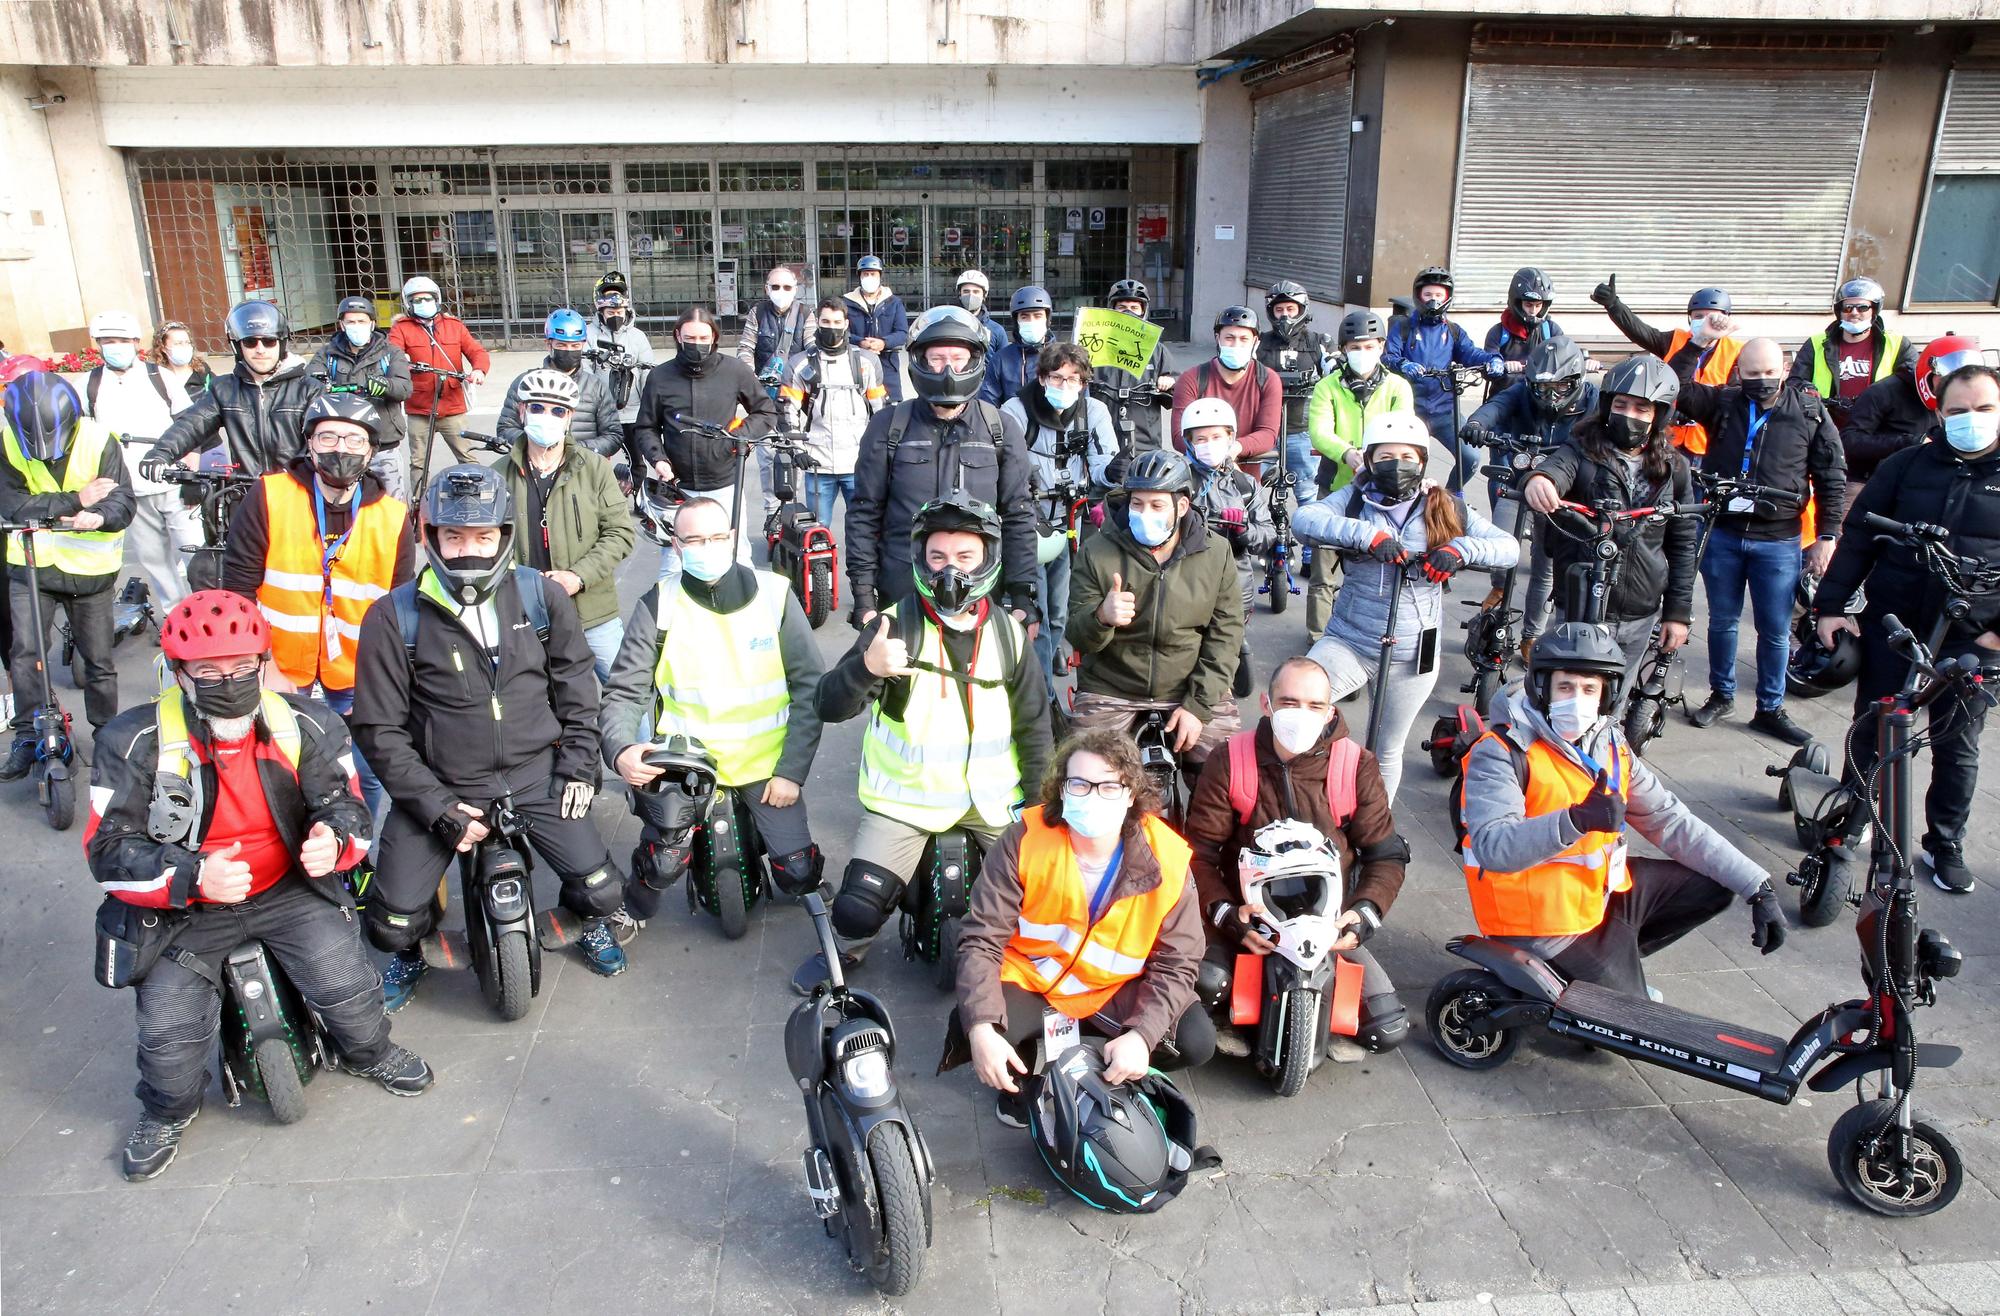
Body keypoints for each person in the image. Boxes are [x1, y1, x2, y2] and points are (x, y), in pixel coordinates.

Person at [86, 590, 432, 1181]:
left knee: (348, 984)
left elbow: (345, 806)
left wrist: (334, 841)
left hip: (285, 889)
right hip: (188, 909)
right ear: (178, 673)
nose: (230, 681)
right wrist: (193, 876)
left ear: (265, 662)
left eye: (245, 667)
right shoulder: (133, 741)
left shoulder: (307, 722)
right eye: (210, 671)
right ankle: (166, 1112)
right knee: (170, 1034)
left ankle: (369, 1053)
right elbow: (108, 851)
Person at [350, 463, 630, 1008]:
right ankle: (412, 952)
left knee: (603, 891)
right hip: (442, 782)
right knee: (390, 922)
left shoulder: (539, 597)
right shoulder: (393, 616)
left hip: (534, 773)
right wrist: (438, 808)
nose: (469, 551)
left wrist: (577, 763)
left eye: (484, 536)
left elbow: (575, 683)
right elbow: (378, 729)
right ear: (430, 537)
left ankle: (589, 923)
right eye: (453, 537)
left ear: (505, 535)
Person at [801, 494, 1050, 994]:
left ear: (986, 560)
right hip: (906, 800)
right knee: (855, 907)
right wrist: (866, 668)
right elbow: (828, 705)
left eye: (964, 558)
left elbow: (1036, 726)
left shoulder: (1009, 634)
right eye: (938, 558)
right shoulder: (891, 626)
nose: (949, 572)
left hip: (993, 800)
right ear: (920, 560)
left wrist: (1042, 809)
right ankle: (845, 952)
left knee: (1043, 893)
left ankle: (1027, 957)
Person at [1458, 622, 1786, 996]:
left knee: (1714, 883)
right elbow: (1494, 847)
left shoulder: (1608, 741)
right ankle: (1583, 973)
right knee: (1628, 1023)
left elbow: (1668, 818)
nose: (1577, 700)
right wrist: (1576, 821)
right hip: (1539, 923)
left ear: (1606, 694)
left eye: (1589, 689)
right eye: (1565, 687)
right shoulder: (1501, 751)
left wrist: (1756, 885)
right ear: (1541, 688)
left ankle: (1610, 961)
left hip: (1597, 898)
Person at [948, 727, 1211, 1126]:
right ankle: (1026, 1081)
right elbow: (981, 938)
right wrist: (982, 1027)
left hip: (1114, 989)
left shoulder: (1168, 859)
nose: (1092, 795)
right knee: (976, 1023)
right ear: (1061, 789)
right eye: (1080, 784)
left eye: (1109, 786)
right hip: (1033, 979)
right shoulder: (1024, 839)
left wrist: (1142, 1035)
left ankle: (1123, 1065)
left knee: (1195, 1040)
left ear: (1130, 795)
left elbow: (1179, 961)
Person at [1815, 363, 2000, 894]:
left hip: (1973, 640)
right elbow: (1858, 538)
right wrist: (1830, 606)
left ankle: (1945, 844)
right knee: (1873, 727)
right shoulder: (1906, 465)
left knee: (1957, 745)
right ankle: (1850, 818)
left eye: (1984, 409)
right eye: (1959, 410)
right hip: (1896, 626)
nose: (1971, 419)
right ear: (1940, 413)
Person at [601, 494, 824, 928]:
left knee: (799, 872)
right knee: (661, 865)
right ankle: (631, 911)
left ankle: (780, 857)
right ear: (677, 546)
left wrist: (792, 771)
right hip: (687, 769)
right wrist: (622, 747)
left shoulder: (775, 595)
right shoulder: (658, 604)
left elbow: (809, 687)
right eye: (695, 540)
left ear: (733, 538)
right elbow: (624, 692)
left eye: (717, 537)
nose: (708, 547)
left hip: (766, 767)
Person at [1184, 655, 1410, 1054]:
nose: (1300, 714)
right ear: (1266, 705)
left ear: (1330, 713)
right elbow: (1197, 852)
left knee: (1385, 1029)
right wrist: (1224, 914)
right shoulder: (1230, 759)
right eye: (1288, 702)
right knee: (1206, 984)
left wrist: (1362, 916)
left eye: (1314, 705)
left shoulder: (1355, 765)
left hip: (1326, 920)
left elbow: (1385, 854)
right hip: (1250, 915)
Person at [1293, 411, 1519, 801]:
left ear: (1423, 461)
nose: (1396, 466)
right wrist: (1368, 536)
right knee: (1297, 716)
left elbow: (1508, 549)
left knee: (1385, 750)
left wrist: (1459, 549)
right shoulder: (1353, 500)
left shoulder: (1446, 505)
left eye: (1407, 457)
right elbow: (1304, 520)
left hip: (1414, 653)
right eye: (1384, 457)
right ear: (1368, 460)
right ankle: (1310, 805)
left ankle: (1374, 829)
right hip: (1349, 639)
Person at [219, 394, 413, 817]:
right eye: (327, 436)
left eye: (353, 439)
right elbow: (237, 593)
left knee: (367, 773)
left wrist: (390, 682)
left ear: (371, 449)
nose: (339, 448)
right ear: (309, 443)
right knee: (284, 772)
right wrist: (262, 665)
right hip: (282, 668)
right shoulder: (270, 496)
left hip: (360, 674)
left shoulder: (393, 517)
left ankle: (356, 851)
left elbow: (403, 611)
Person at [1675, 338, 1846, 745]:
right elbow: (1677, 387)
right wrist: (1695, 344)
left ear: (1784, 368)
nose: (1762, 381)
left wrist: (1827, 535)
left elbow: (1831, 475)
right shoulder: (1724, 403)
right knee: (1722, 621)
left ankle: (1770, 708)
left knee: (1774, 630)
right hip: (1725, 534)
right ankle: (1721, 694)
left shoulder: (1807, 409)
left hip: (1780, 540)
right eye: (1752, 374)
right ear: (1738, 372)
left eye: (1769, 373)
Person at [845, 305, 1041, 632]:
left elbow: (1019, 514)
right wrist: (864, 596)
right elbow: (864, 513)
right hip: (904, 589)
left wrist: (1023, 595)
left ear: (974, 361)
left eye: (957, 357)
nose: (947, 368)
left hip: (979, 591)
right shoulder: (887, 426)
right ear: (920, 362)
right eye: (937, 358)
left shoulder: (1001, 428)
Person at [1519, 354, 1695, 693]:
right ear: (1607, 405)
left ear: (1659, 415)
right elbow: (1557, 468)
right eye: (1622, 404)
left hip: (1640, 609)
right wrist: (1539, 480)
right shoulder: (1582, 449)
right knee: (1564, 693)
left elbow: (1684, 544)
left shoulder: (1675, 468)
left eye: (1641, 409)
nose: (1629, 415)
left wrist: (1677, 613)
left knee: (1614, 700)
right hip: (1581, 600)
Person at [1065, 449, 1244, 768]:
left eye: (1157, 505)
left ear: (1182, 506)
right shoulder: (1097, 551)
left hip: (1189, 684)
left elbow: (1225, 637)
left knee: (1225, 776)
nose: (1144, 513)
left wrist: (1197, 707)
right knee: (1083, 773)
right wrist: (1102, 618)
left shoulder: (1216, 553)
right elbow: (1078, 635)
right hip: (1111, 686)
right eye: (1137, 503)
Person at [0, 370, 133, 776]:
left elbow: (123, 503)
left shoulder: (98, 440)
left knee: (99, 662)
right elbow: (11, 505)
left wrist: (99, 515)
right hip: (32, 565)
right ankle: (28, 734)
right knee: (25, 657)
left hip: (90, 573)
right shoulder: (7, 440)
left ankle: (107, 736)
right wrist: (76, 499)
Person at [497, 368, 635, 680]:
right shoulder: (498, 476)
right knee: (531, 703)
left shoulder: (595, 468)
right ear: (522, 411)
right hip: (524, 613)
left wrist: (577, 577)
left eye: (557, 410)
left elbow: (620, 533)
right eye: (537, 408)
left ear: (569, 417)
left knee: (624, 693)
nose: (547, 416)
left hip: (592, 611)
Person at [1464, 335, 1599, 644]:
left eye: (1560, 387)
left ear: (1577, 380)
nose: (1549, 396)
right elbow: (1497, 405)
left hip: (1562, 495)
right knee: (1498, 547)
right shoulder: (1522, 391)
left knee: (1544, 566)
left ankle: (1531, 637)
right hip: (1517, 482)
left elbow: (1608, 427)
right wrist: (1476, 423)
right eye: (1541, 387)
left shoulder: (1594, 400)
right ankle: (1499, 587)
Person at [628, 305, 777, 576]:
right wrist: (658, 459)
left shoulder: (735, 371)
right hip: (679, 487)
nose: (697, 344)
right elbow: (645, 426)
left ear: (714, 338)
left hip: (726, 482)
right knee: (675, 560)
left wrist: (738, 438)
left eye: (703, 338)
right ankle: (671, 617)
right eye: (690, 338)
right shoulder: (660, 377)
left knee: (736, 554)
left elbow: (765, 411)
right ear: (678, 336)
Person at [1002, 341, 1117, 684]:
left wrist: (1112, 473)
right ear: (1041, 378)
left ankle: (1052, 649)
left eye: (1072, 380)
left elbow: (1102, 466)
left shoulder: (1093, 411)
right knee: (1034, 603)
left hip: (1070, 519)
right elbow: (1006, 464)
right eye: (1056, 378)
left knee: (1061, 602)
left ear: (1084, 383)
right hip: (1028, 522)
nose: (1064, 386)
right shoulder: (1015, 409)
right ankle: (1040, 688)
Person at [1303, 309, 1415, 637]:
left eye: (1368, 346)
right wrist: (1347, 453)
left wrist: (1375, 458)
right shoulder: (1328, 387)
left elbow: (1401, 429)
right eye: (1354, 347)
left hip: (1382, 494)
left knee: (1373, 572)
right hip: (1336, 487)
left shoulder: (1397, 387)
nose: (1361, 353)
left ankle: (1367, 634)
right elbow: (1319, 431)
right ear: (1343, 349)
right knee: (1324, 574)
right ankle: (1317, 638)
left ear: (1381, 347)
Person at [79, 309, 195, 612]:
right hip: (128, 488)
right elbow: (83, 435)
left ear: (135, 341)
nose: (114, 346)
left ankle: (205, 611)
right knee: (155, 560)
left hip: (173, 483)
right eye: (107, 340)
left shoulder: (159, 377)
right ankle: (176, 614)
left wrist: (193, 467)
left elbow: (190, 424)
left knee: (195, 552)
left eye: (121, 339)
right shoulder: (89, 384)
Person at [148, 301, 325, 476]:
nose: (260, 349)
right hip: (246, 492)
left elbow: (322, 443)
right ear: (237, 346)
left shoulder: (309, 390)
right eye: (250, 342)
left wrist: (299, 474)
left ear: (281, 343)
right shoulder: (224, 389)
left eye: (269, 341)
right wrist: (161, 452)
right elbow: (192, 424)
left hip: (295, 491)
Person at [1382, 267, 1510, 485]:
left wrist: (1493, 360)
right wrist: (1403, 364)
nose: (1433, 301)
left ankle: (1447, 501)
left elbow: (1470, 353)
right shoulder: (1403, 328)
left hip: (1445, 410)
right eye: (1428, 295)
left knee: (1469, 457)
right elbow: (1388, 356)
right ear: (1418, 296)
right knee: (1407, 465)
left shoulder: (1453, 331)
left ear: (1447, 297)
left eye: (1439, 295)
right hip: (1409, 411)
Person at [1590, 277, 1744, 456]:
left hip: (1706, 443)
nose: (1704, 322)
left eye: (1712, 316)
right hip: (1668, 440)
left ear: (1726, 318)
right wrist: (1613, 305)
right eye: (1698, 316)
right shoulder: (1673, 340)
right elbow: (1638, 330)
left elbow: (1734, 395)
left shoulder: (1738, 352)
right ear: (1690, 318)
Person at [1182, 398, 1275, 688]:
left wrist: (1244, 531)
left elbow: (1268, 534)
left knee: (1229, 639)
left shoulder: (1246, 486)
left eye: (1216, 437)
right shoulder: (1179, 480)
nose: (1209, 444)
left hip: (1236, 582)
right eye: (1201, 439)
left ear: (1230, 438)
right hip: (1188, 582)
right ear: (1189, 442)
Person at [779, 296, 887, 526]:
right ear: (817, 322)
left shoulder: (866, 363)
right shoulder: (799, 364)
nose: (832, 328)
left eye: (838, 322)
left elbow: (881, 414)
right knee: (817, 531)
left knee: (864, 528)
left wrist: (880, 454)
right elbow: (788, 412)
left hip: (858, 463)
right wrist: (797, 451)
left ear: (847, 324)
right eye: (826, 322)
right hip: (818, 464)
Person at [1841, 334, 1985, 499]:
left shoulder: (1969, 401)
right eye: (1948, 380)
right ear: (1930, 372)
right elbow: (1848, 440)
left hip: (1932, 481)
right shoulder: (1883, 392)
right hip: (1868, 481)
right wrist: (1911, 442)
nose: (1954, 388)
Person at [387, 276, 491, 499]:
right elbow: (391, 354)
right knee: (418, 463)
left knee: (467, 455)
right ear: (408, 303)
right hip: (419, 407)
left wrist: (478, 370)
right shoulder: (401, 329)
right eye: (417, 300)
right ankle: (418, 502)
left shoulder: (454, 326)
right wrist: (401, 361)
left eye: (428, 298)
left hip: (452, 405)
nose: (423, 303)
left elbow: (477, 352)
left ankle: (481, 496)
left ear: (437, 299)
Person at [311, 296, 415, 500]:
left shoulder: (391, 353)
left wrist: (385, 386)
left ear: (372, 323)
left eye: (361, 321)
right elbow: (309, 385)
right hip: (341, 447)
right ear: (342, 324)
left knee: (392, 504)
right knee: (340, 503)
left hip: (383, 442)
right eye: (350, 322)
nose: (356, 326)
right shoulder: (327, 354)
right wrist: (329, 389)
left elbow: (404, 388)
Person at [1788, 276, 1917, 435]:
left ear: (1874, 310)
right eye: (1847, 308)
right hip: (1825, 428)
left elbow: (1914, 380)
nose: (1854, 313)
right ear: (1839, 311)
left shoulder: (1897, 344)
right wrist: (1807, 390)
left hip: (1877, 430)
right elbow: (1795, 380)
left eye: (1862, 307)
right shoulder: (1816, 343)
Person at [737, 263, 813, 518]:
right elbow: (746, 349)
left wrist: (798, 380)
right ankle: (772, 514)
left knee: (796, 452)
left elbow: (812, 352)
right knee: (767, 457)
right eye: (776, 286)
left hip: (796, 399)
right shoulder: (757, 312)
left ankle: (792, 509)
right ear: (766, 288)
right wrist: (753, 382)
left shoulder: (806, 313)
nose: (781, 291)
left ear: (796, 289)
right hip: (764, 398)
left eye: (787, 287)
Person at [495, 309, 623, 460]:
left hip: (583, 467)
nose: (568, 350)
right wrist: (536, 445)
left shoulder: (596, 386)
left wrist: (573, 450)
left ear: (583, 344)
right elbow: (506, 428)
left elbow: (613, 435)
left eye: (575, 346)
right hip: (535, 465)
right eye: (561, 345)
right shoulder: (526, 383)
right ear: (549, 344)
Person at [1256, 280, 1336, 510]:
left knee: (1308, 494)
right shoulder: (1259, 343)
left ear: (1302, 310)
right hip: (1265, 432)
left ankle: (1311, 544)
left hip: (1302, 432)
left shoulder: (1319, 342)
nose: (1285, 316)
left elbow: (1336, 373)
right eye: (1279, 310)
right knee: (1252, 493)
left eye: (1290, 310)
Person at [1170, 306, 1281, 466]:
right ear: (1218, 338)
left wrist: (1235, 448)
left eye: (1244, 339)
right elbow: (1178, 436)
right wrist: (1210, 453)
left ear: (1255, 342)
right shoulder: (1191, 379)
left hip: (1247, 478)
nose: (1236, 345)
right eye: (1229, 337)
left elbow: (1268, 433)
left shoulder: (1268, 379)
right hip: (1199, 472)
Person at [1089, 278, 1176, 463]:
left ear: (1143, 311)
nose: (1128, 312)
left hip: (1145, 443)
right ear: (1112, 309)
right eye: (1122, 307)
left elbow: (1177, 390)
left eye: (1134, 307)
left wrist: (1169, 382)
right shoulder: (1094, 348)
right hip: (1103, 440)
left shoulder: (1157, 350)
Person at [1480, 266, 1563, 401]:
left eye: (1538, 305)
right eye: (1528, 305)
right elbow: (1486, 367)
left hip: (1540, 398)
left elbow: (1567, 356)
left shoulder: (1551, 329)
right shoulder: (1498, 332)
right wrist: (1502, 365)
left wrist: (1586, 361)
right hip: (1504, 398)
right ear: (1517, 303)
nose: (1533, 311)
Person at [586, 270, 656, 428]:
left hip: (634, 413)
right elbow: (585, 374)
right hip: (602, 414)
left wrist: (649, 406)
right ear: (601, 312)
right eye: (611, 313)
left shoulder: (638, 336)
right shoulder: (589, 334)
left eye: (619, 312)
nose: (615, 316)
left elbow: (648, 372)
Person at [843, 256, 910, 404]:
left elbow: (902, 333)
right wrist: (860, 342)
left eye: (873, 274)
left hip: (887, 365)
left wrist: (883, 343)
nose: (869, 277)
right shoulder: (846, 302)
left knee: (890, 410)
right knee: (859, 406)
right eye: (865, 274)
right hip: (857, 364)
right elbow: (841, 332)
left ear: (880, 276)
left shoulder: (893, 302)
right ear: (859, 276)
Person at [955, 270, 1012, 403]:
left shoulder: (997, 330)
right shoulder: (949, 324)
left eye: (976, 292)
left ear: (984, 295)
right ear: (959, 293)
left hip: (987, 395)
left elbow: (1005, 367)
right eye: (966, 291)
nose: (971, 296)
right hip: (957, 391)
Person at [990, 285, 1050, 409]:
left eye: (1037, 316)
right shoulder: (1000, 359)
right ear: (1016, 321)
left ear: (1047, 319)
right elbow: (987, 406)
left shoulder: (1063, 357)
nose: (1031, 321)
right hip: (1012, 425)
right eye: (1024, 317)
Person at [152, 321, 214, 397]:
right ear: (163, 348)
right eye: (178, 343)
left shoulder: (203, 372)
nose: (184, 347)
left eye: (187, 342)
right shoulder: (158, 378)